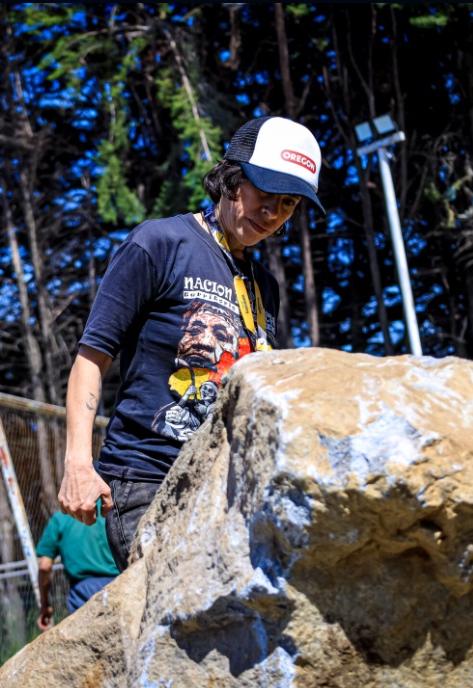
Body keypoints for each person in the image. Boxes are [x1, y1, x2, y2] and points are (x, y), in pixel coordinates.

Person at [58, 116, 325, 571]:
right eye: (266, 193)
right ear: (232, 179)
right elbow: (91, 357)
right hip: (148, 482)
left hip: (224, 484)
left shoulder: (265, 286)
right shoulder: (159, 243)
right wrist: (78, 464)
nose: (273, 213)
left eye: (288, 204)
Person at [34, 504, 119, 631]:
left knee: (89, 640)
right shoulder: (110, 508)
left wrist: (45, 604)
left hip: (83, 591)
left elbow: (44, 567)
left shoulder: (60, 519)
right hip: (119, 583)